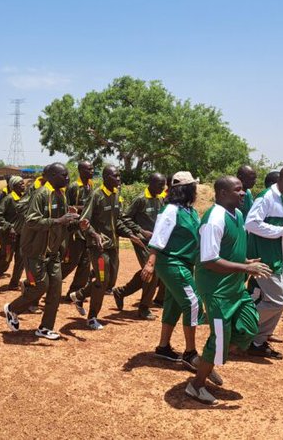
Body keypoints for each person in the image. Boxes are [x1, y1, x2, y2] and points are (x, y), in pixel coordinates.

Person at [185, 175, 272, 405]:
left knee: (249, 326)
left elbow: (228, 249)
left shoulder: (238, 214)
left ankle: (208, 359)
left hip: (235, 285)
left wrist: (245, 261)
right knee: (219, 338)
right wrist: (246, 267)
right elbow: (209, 260)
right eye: (238, 189)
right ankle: (196, 385)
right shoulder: (214, 219)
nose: (243, 193)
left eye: (242, 189)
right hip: (217, 290)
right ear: (223, 193)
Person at [4, 163, 84, 339]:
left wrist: (77, 224)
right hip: (35, 251)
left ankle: (45, 328)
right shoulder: (40, 194)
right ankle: (12, 309)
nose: (68, 178)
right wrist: (58, 221)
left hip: (53, 253)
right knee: (41, 286)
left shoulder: (61, 195)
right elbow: (31, 221)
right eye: (64, 175)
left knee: (55, 289)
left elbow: (63, 225)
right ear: (53, 176)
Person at [142, 171, 211, 369]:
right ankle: (190, 353)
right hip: (172, 263)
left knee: (173, 304)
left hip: (185, 263)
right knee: (192, 303)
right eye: (193, 187)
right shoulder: (171, 210)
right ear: (187, 189)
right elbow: (159, 236)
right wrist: (150, 263)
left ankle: (163, 347)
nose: (196, 190)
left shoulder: (189, 211)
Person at [244, 164, 283, 359]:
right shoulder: (267, 197)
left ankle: (257, 342)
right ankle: (240, 328)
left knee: (275, 302)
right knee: (277, 302)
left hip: (279, 258)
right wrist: (282, 231)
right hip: (265, 258)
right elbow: (251, 223)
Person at [70, 165, 142, 330]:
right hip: (98, 247)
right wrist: (95, 235)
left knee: (110, 281)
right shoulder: (96, 195)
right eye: (115, 176)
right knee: (102, 280)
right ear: (106, 177)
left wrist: (130, 234)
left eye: (119, 175)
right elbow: (84, 221)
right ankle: (92, 317)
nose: (118, 179)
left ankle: (79, 295)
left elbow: (117, 221)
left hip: (113, 246)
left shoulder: (116, 195)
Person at [113, 172, 167, 320]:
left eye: (164, 185)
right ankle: (144, 308)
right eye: (160, 185)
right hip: (141, 241)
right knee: (151, 272)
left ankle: (121, 292)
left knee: (152, 271)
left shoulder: (160, 199)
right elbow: (124, 218)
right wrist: (140, 231)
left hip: (156, 242)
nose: (162, 188)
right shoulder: (140, 200)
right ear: (151, 183)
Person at [0, 176, 26, 288]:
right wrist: (9, 227)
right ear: (13, 186)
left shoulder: (24, 198)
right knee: (7, 258)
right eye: (21, 184)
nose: (23, 185)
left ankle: (14, 283)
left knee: (21, 258)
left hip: (22, 234)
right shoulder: (8, 199)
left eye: (23, 183)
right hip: (9, 235)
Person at [61, 161, 94, 298]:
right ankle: (47, 283)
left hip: (87, 230)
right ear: (81, 170)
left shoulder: (90, 185)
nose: (92, 171)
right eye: (89, 169)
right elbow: (66, 206)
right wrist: (84, 208)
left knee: (85, 263)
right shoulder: (74, 187)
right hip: (75, 230)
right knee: (71, 262)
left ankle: (74, 293)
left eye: (92, 168)